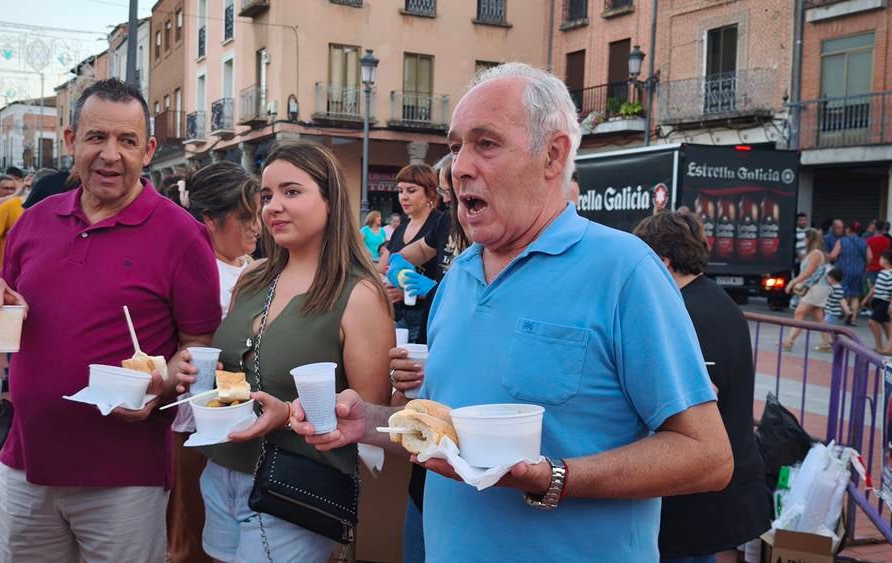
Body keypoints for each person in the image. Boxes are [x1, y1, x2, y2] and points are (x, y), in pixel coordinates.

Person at [290, 62, 732, 561]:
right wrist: (369, 423)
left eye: (486, 143)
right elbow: (450, 433)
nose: (458, 167)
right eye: (456, 146)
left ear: (553, 154)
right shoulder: (459, 276)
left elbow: (707, 456)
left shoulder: (625, 270)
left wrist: (555, 477)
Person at [0, 78, 221, 563]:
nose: (111, 154)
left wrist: (160, 384)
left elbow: (198, 345)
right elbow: (4, 333)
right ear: (71, 142)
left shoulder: (182, 236)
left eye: (127, 141)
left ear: (148, 151)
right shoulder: (33, 222)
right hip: (27, 465)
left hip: (124, 479)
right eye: (96, 137)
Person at [196, 142, 394, 563]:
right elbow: (234, 367)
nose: (273, 208)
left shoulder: (359, 295)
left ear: (329, 200)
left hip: (295, 486)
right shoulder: (251, 277)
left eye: (291, 192)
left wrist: (287, 414)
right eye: (266, 196)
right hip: (220, 471)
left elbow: (367, 416)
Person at [633, 211, 772, 562]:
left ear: (662, 262)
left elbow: (692, 400)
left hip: (693, 495)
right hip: (719, 486)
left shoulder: (681, 311)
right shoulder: (721, 302)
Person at [165, 162, 261, 563]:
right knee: (192, 528)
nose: (258, 226)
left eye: (259, 214)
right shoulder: (194, 269)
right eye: (245, 217)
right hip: (196, 419)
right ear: (209, 219)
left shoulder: (252, 268)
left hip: (243, 414)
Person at [386, 152, 470, 563]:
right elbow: (401, 258)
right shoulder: (449, 226)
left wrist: (426, 288)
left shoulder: (449, 222)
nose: (457, 189)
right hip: (431, 485)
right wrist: (409, 281)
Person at [386, 164, 442, 342]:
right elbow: (382, 266)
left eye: (411, 190)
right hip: (399, 315)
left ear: (430, 193)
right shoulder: (400, 228)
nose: (404, 197)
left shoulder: (440, 223)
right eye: (400, 191)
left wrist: (414, 291)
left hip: (428, 312)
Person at [783, 229, 830, 351]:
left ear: (809, 239)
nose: (803, 240)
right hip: (818, 288)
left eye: (804, 238)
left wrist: (793, 282)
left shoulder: (815, 253)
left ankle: (789, 341)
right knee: (819, 317)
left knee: (799, 312)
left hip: (817, 288)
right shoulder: (816, 253)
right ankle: (827, 343)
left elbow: (808, 272)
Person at [0, 175, 33, 279]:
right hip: (6, 273)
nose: (9, 191)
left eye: (12, 188)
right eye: (6, 188)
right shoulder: (6, 204)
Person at [830, 221, 868, 325]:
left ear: (848, 230)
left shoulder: (841, 241)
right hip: (859, 271)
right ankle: (853, 319)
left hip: (844, 270)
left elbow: (833, 255)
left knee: (841, 292)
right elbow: (870, 257)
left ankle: (845, 311)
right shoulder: (864, 242)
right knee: (855, 295)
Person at [864, 253, 892, 354]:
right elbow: (875, 287)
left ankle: (879, 346)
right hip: (879, 300)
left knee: (872, 322)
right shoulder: (883, 272)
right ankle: (889, 346)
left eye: (881, 258)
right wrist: (867, 298)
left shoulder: (888, 274)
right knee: (886, 324)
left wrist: (890, 305)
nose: (879, 260)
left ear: (886, 261)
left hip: (884, 302)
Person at [823, 268, 850, 353]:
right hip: (834, 311)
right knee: (830, 328)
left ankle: (831, 342)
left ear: (832, 278)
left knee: (827, 328)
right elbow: (841, 299)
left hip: (831, 311)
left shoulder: (832, 288)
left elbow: (825, 295)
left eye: (828, 278)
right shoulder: (840, 288)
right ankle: (832, 342)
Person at [866, 220, 891, 293]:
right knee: (882, 290)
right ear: (883, 228)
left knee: (871, 291)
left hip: (871, 268)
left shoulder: (868, 240)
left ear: (874, 228)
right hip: (884, 268)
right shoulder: (888, 241)